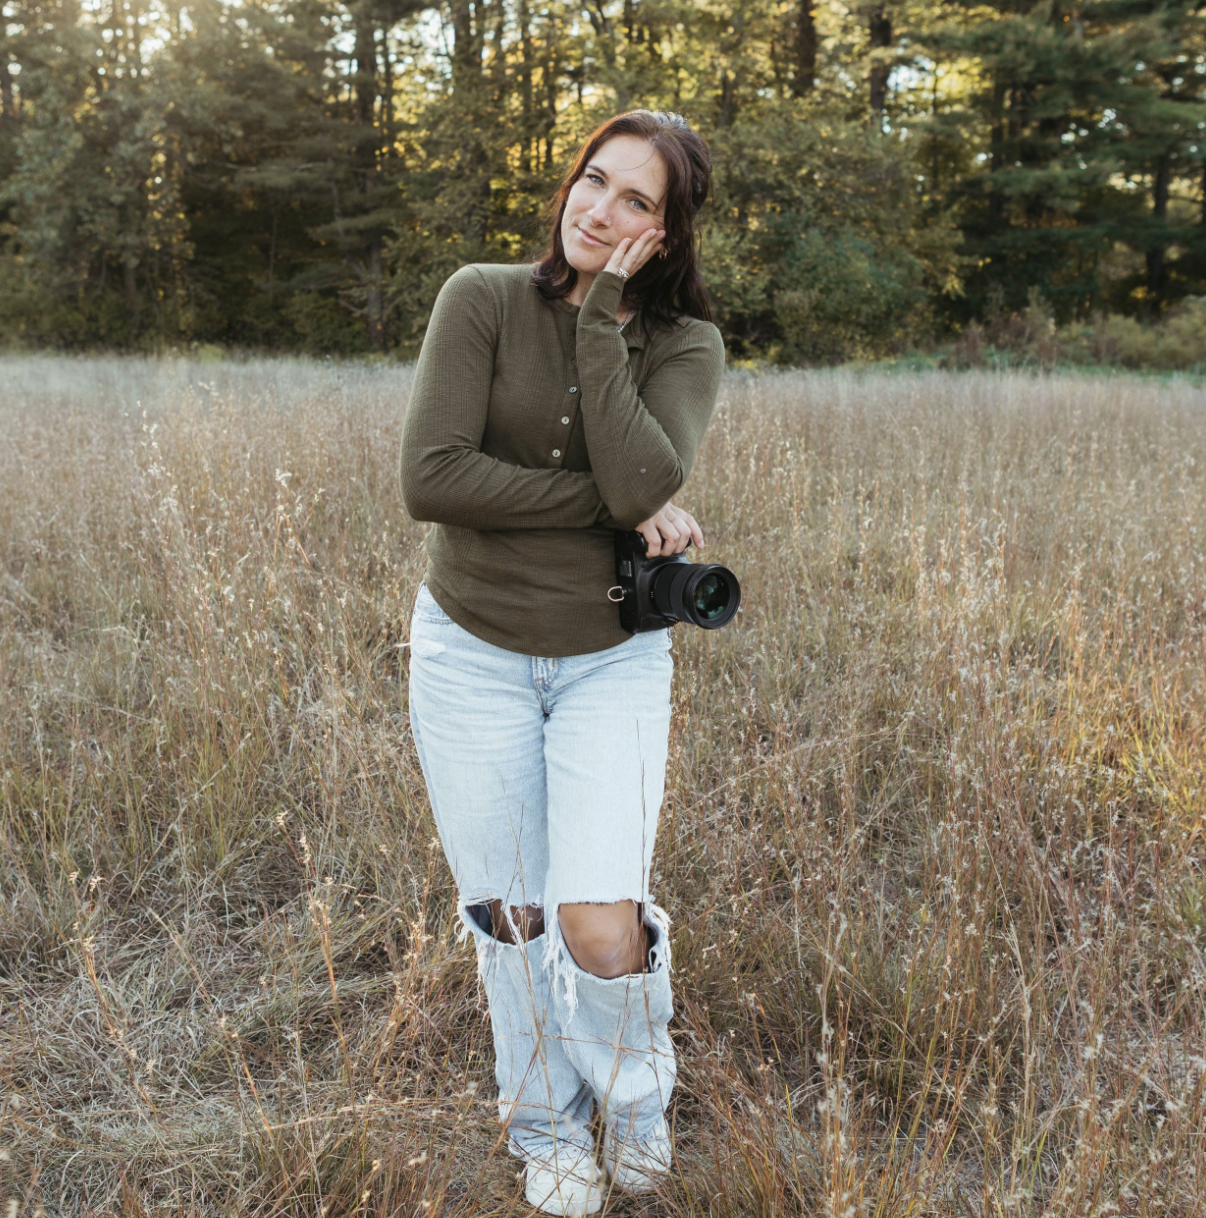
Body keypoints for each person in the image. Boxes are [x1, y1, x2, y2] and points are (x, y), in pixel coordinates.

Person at [399, 108, 726, 1215]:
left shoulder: (684, 346)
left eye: (637, 201)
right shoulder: (480, 297)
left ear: (670, 233)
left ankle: (634, 1103)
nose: (602, 211)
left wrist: (598, 322)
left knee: (597, 912)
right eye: (595, 182)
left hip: (611, 661)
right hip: (471, 652)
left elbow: (650, 485)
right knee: (511, 912)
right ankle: (543, 1124)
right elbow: (434, 480)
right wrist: (610, 506)